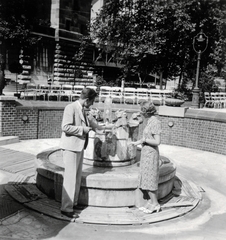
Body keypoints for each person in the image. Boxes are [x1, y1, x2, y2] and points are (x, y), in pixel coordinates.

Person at [60, 87, 113, 218]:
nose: (93, 104)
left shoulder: (84, 110)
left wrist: (105, 128)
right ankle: (66, 208)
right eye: (92, 101)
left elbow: (94, 124)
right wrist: (83, 129)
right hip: (71, 147)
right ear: (87, 99)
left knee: (77, 177)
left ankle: (74, 203)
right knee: (70, 179)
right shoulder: (70, 108)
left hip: (79, 146)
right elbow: (65, 127)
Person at [131, 100, 162, 214]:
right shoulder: (150, 121)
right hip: (146, 153)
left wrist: (144, 140)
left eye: (142, 110)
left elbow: (157, 141)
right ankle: (150, 202)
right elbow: (146, 137)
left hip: (151, 154)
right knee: (146, 178)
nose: (140, 113)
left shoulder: (155, 122)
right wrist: (135, 143)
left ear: (147, 112)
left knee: (150, 179)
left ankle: (155, 204)